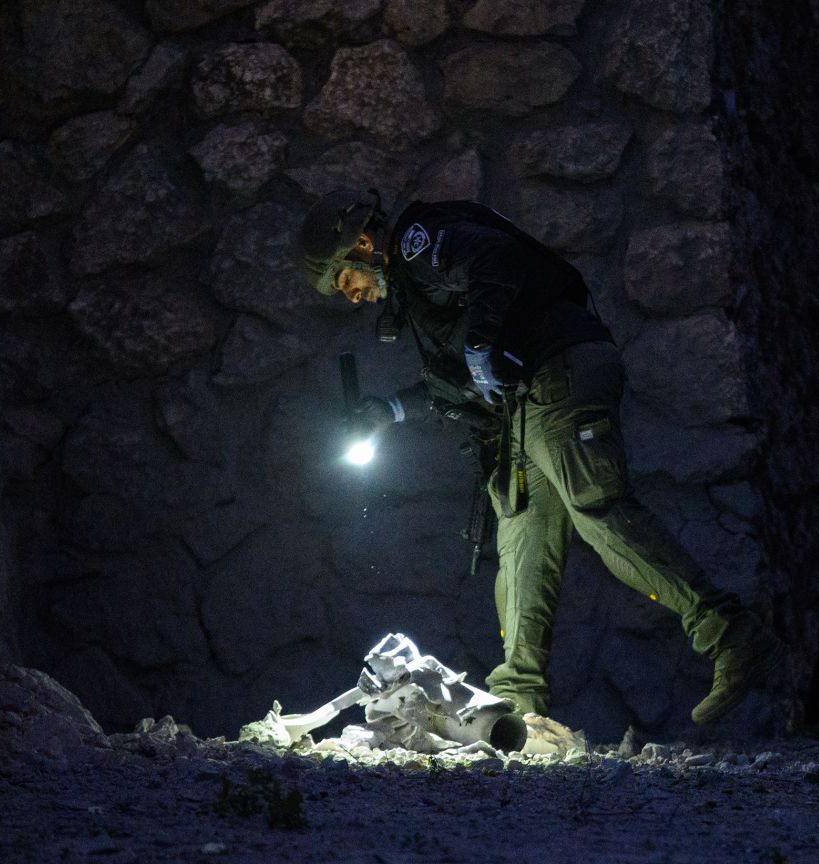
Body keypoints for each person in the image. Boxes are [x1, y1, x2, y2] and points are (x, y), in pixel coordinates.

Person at [299, 190, 782, 726]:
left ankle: (731, 636)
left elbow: (496, 262)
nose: (353, 297)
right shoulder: (419, 284)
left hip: (558, 372)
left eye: (345, 281)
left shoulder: (417, 245)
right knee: (523, 540)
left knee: (598, 510)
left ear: (363, 245)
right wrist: (390, 409)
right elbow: (457, 380)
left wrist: (482, 346)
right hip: (525, 404)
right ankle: (519, 707)